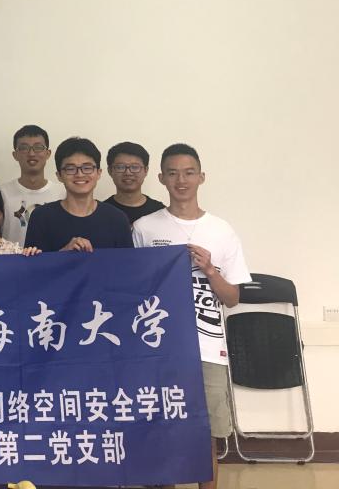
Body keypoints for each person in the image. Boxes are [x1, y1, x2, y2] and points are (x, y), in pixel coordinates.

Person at [133, 144, 251, 489]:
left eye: (188, 173)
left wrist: (210, 270)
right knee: (161, 431)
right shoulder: (145, 227)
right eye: (172, 173)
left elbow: (232, 299)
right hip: (159, 348)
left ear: (202, 177)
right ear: (161, 178)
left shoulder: (222, 230)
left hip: (208, 348)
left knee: (206, 434)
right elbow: (135, 290)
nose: (181, 180)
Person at [25, 136, 133, 252]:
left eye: (87, 168)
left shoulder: (117, 219)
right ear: (59, 175)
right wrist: (63, 253)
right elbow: (32, 263)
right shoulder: (41, 217)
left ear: (98, 173)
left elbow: (128, 262)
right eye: (70, 169)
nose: (80, 174)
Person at [0, 125, 65, 246]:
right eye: (24, 148)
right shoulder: (1, 193)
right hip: (12, 257)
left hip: (53, 257)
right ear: (15, 155)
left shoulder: (63, 193)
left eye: (38, 147)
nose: (31, 153)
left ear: (48, 153)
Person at [103, 141, 165, 224]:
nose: (128, 173)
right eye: (120, 167)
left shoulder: (159, 211)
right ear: (110, 171)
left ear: (146, 170)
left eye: (135, 167)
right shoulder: (101, 211)